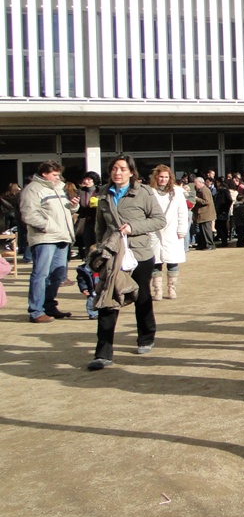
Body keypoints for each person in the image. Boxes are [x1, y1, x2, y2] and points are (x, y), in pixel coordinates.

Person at [87, 154, 167, 370]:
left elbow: (159, 220)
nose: (118, 172)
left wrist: (133, 227)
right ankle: (103, 353)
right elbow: (99, 226)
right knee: (108, 300)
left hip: (139, 254)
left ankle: (146, 336)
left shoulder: (144, 193)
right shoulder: (103, 193)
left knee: (141, 298)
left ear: (131, 172)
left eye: (122, 169)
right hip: (113, 256)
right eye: (114, 168)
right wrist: (99, 248)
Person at [20, 160, 79, 323]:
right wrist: (48, 226)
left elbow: (66, 209)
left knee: (57, 275)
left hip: (62, 236)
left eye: (58, 174)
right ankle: (36, 311)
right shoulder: (32, 190)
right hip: (45, 238)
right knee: (41, 274)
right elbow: (28, 214)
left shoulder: (60, 187)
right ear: (44, 174)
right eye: (54, 174)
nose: (57, 177)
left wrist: (73, 206)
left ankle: (49, 306)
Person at [148, 165, 188, 301]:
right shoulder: (149, 192)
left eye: (166, 177)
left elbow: (182, 212)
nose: (163, 179)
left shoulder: (177, 192)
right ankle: (158, 290)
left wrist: (182, 229)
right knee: (156, 262)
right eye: (161, 177)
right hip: (154, 231)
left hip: (172, 230)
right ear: (156, 177)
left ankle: (171, 288)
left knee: (172, 261)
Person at [75, 171, 101, 259]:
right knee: (88, 245)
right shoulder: (80, 192)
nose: (86, 181)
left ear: (94, 180)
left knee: (98, 244)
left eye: (89, 179)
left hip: (98, 222)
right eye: (85, 179)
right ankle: (88, 265)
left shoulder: (100, 191)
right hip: (85, 222)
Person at [193, 176, 216, 249]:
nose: (194, 185)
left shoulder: (205, 190)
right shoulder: (200, 190)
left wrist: (196, 199)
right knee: (202, 231)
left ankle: (210, 244)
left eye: (195, 183)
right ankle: (203, 244)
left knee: (206, 230)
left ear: (200, 183)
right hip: (201, 214)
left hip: (206, 214)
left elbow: (206, 201)